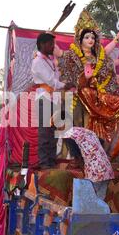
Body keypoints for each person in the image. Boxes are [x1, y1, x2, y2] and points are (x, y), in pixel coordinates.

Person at [58, 9, 119, 143]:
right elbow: (59, 54)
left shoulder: (97, 57)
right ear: (80, 39)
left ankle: (100, 151)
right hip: (80, 95)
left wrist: (117, 38)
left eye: (93, 37)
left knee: (102, 123)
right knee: (78, 126)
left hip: (97, 95)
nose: (91, 40)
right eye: (87, 37)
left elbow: (106, 56)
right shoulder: (73, 55)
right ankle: (79, 155)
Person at [31, 32, 74, 169]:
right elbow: (51, 81)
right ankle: (45, 164)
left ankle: (51, 161)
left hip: (54, 99)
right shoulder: (37, 61)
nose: (53, 47)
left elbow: (55, 78)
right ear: (43, 44)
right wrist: (65, 85)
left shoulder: (49, 60)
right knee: (45, 133)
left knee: (54, 133)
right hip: (44, 99)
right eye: (51, 44)